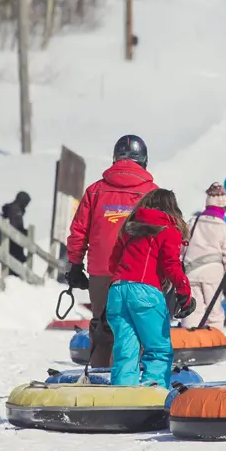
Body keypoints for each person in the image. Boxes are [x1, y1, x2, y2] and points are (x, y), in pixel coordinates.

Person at [65, 135, 158, 368]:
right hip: (141, 273)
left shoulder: (95, 191)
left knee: (102, 327)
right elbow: (164, 232)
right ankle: (128, 380)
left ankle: (100, 377)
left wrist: (75, 265)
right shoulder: (153, 194)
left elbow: (79, 231)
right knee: (135, 326)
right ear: (144, 161)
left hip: (101, 272)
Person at [105, 189, 196, 388]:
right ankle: (153, 393)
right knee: (158, 349)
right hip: (145, 292)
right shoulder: (169, 229)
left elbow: (113, 264)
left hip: (117, 291)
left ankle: (122, 394)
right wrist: (185, 294)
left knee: (126, 350)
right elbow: (171, 265)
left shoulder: (128, 229)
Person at [179, 183, 226, 329]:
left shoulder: (193, 222)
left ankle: (189, 343)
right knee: (214, 312)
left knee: (192, 311)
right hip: (213, 275)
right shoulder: (223, 228)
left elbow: (181, 248)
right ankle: (214, 342)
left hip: (191, 273)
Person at [1, 191, 32, 266]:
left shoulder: (13, 208)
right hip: (13, 244)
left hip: (10, 243)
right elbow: (15, 228)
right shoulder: (16, 210)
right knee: (15, 265)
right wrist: (25, 233)